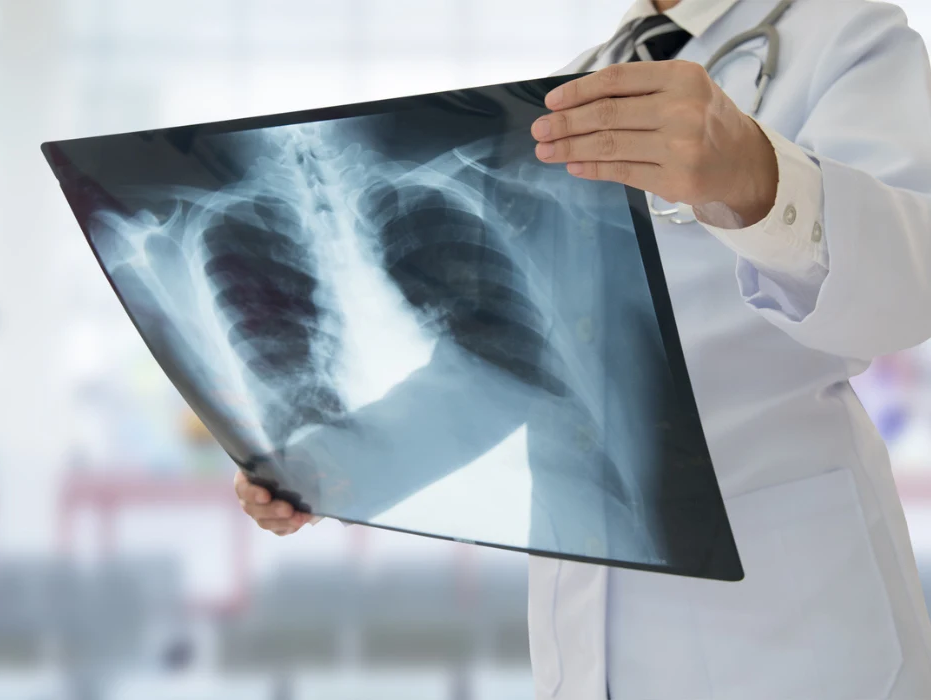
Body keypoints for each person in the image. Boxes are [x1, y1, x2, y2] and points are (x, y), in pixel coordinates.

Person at [234, 0, 931, 697]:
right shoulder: (567, 89)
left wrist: (756, 176)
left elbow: (907, 293)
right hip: (583, 634)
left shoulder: (845, 35)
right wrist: (336, 464)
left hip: (795, 624)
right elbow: (514, 363)